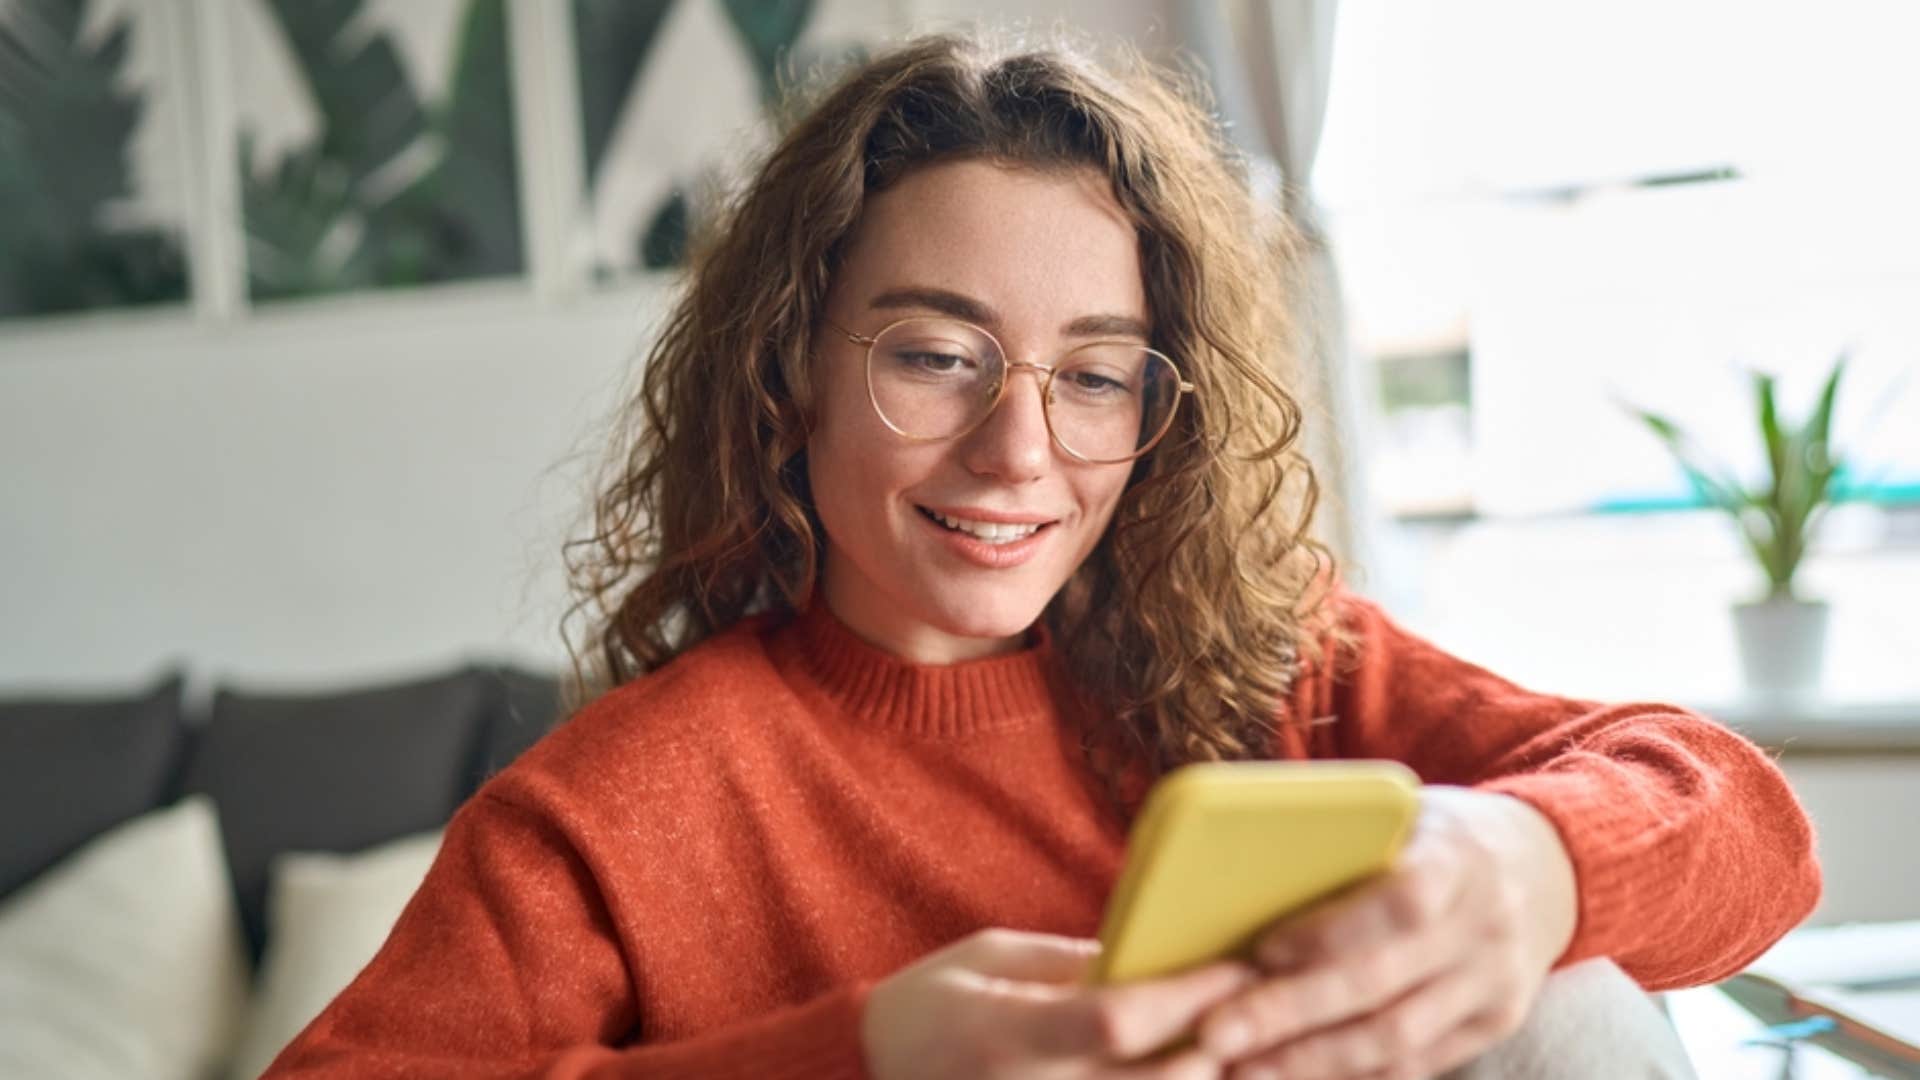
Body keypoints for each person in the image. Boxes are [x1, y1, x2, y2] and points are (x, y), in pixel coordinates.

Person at [264, 30, 1819, 1080]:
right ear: (792, 367)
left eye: (1094, 376)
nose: (1021, 455)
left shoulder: (1283, 671)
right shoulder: (605, 818)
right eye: (938, 357)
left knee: (1578, 1007)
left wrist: (1531, 867)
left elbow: (1750, 830)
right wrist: (861, 1054)